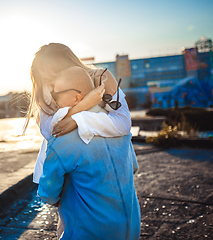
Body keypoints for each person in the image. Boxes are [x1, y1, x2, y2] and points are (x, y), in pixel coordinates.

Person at [38, 66, 141, 239]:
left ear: (77, 97)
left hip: (88, 232)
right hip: (130, 230)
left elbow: (47, 193)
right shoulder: (117, 129)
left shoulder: (62, 140)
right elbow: (133, 168)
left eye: (56, 95)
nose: (54, 102)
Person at [23, 43, 135, 184]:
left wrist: (79, 120)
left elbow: (124, 123)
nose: (48, 85)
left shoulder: (101, 78)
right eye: (44, 80)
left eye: (51, 77)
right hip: (69, 174)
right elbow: (51, 132)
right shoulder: (47, 90)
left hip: (106, 169)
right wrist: (83, 105)